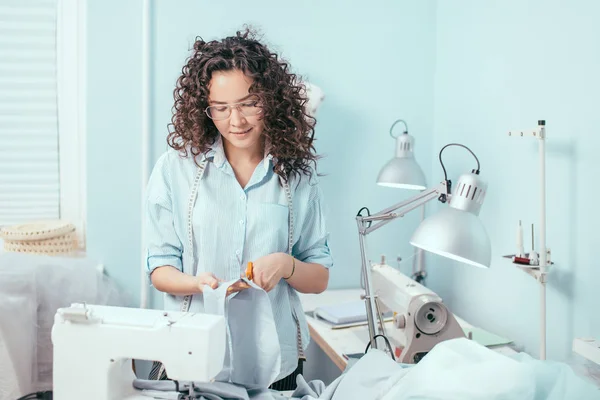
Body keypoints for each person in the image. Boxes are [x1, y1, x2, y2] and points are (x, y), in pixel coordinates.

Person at [144, 27, 334, 390]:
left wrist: (286, 265)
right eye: (221, 108)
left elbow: (319, 277)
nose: (236, 121)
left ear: (271, 99)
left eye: (248, 104)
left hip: (275, 363)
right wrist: (198, 284)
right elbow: (160, 268)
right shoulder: (175, 169)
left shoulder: (296, 177)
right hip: (191, 351)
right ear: (205, 109)